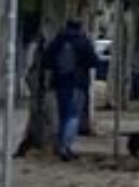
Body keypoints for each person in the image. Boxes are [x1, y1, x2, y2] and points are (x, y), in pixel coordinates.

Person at [43, 18, 100, 161]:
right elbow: (94, 61)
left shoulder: (57, 41)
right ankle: (65, 146)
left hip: (60, 83)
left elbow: (46, 60)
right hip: (78, 84)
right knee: (73, 116)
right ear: (80, 27)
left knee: (64, 116)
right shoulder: (83, 41)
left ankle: (62, 146)